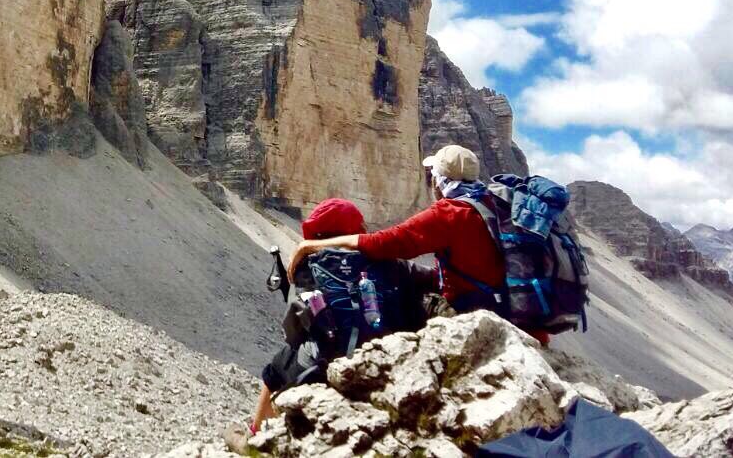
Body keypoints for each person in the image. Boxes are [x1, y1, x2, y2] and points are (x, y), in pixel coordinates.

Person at [287, 144, 554, 345]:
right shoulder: (495, 203)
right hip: (522, 316)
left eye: (433, 176)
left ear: (440, 180)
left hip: (480, 316)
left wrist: (310, 246)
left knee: (398, 299)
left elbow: (383, 242)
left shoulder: (451, 213)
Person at [231, 197, 435, 450]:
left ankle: (253, 437)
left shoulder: (308, 265)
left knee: (276, 367)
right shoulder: (392, 261)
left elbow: (295, 327)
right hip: (392, 359)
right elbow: (433, 283)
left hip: (327, 364)